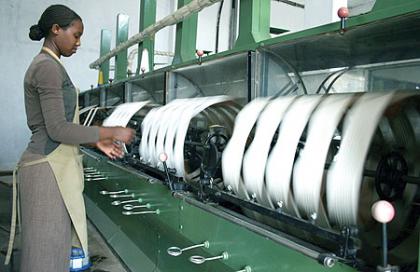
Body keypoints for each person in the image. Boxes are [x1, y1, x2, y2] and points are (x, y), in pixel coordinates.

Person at [4, 4, 135, 272]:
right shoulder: (46, 67)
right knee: (45, 257)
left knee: (53, 251)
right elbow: (58, 129)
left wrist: (95, 140)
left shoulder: (50, 65)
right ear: (55, 30)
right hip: (46, 169)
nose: (78, 42)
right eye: (75, 35)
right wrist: (109, 132)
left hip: (52, 167)